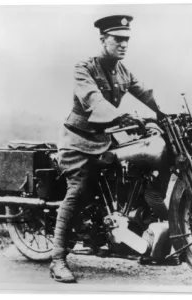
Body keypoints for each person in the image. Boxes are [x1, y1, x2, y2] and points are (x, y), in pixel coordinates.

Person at [50, 14, 170, 283]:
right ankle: (58, 259)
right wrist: (119, 117)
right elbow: (94, 101)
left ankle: (136, 233)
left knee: (134, 169)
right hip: (78, 142)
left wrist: (164, 114)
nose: (123, 44)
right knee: (78, 190)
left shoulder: (122, 70)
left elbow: (145, 92)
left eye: (126, 39)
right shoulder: (84, 68)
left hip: (105, 139)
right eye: (117, 39)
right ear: (103, 39)